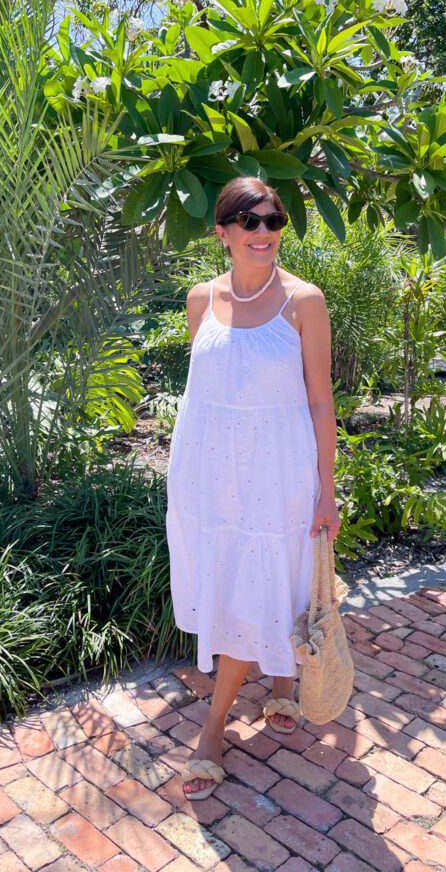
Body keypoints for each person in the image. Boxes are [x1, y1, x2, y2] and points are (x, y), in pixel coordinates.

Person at [165, 176, 340, 800]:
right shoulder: (199, 300)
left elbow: (320, 402)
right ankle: (282, 682)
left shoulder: (304, 301)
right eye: (250, 221)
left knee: (264, 578)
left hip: (280, 469)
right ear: (223, 231)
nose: (264, 233)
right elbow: (211, 394)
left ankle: (212, 729)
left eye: (274, 221)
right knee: (237, 578)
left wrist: (328, 490)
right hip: (209, 477)